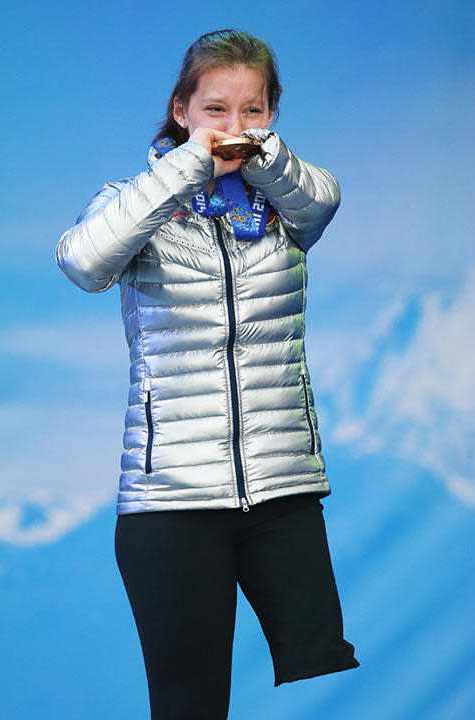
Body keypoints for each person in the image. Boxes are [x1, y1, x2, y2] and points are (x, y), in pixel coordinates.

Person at [56, 28, 359, 720]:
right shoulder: (134, 203)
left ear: (272, 118)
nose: (234, 127)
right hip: (171, 502)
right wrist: (188, 166)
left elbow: (323, 200)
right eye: (215, 110)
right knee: (189, 706)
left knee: (315, 661)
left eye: (253, 111)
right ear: (180, 110)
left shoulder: (286, 206)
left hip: (278, 493)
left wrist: (263, 159)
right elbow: (82, 263)